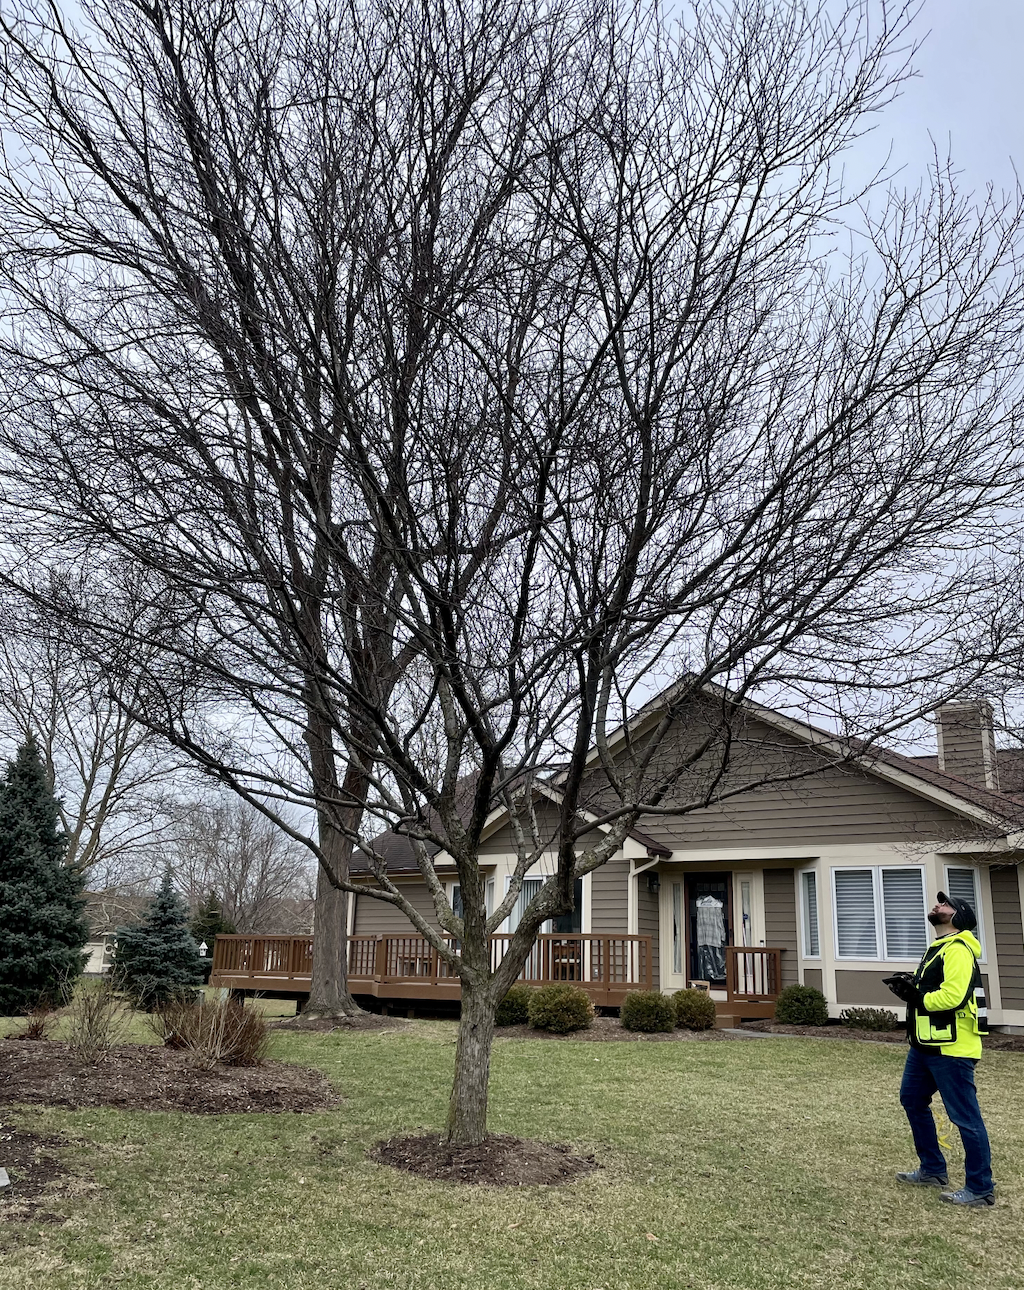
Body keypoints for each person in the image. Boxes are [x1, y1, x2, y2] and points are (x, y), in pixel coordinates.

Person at [884, 893, 993, 1208]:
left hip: (953, 1047)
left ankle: (981, 1189)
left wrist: (917, 998)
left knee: (965, 1117)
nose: (937, 906)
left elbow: (953, 997)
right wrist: (913, 989)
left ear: (958, 917)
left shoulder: (958, 949)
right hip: (926, 1044)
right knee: (912, 1100)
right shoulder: (939, 948)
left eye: (945, 904)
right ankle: (932, 1169)